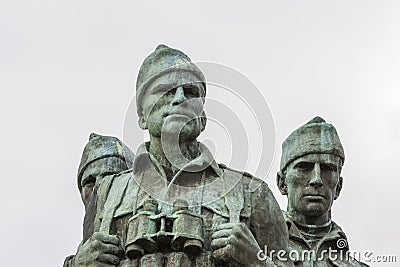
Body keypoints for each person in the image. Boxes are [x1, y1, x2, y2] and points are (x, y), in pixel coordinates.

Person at [74, 44, 293, 267]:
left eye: (190, 92)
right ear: (141, 116)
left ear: (203, 116)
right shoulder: (106, 194)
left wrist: (257, 262)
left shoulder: (252, 193)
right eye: (165, 91)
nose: (180, 99)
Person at [276, 116, 368, 266]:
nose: (316, 179)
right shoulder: (250, 242)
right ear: (282, 183)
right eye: (303, 167)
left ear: (338, 187)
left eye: (327, 169)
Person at [63, 133, 135, 267]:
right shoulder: (80, 254)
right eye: (89, 182)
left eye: (110, 176)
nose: (99, 185)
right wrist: (76, 263)